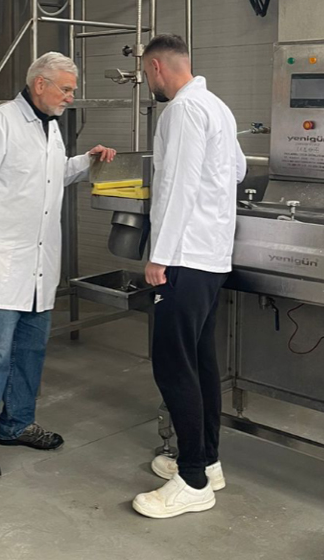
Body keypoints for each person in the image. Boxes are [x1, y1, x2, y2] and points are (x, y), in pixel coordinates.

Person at [0, 51, 116, 481]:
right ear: (40, 84)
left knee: (30, 350)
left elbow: (49, 175)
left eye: (72, 90)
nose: (70, 97)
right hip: (0, 259)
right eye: (65, 89)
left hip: (39, 262)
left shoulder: (51, 126)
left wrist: (86, 162)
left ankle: (17, 424)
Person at [132, 34, 246, 519]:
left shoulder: (180, 111)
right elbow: (238, 170)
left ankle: (193, 480)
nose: (147, 83)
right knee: (200, 362)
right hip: (212, 257)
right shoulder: (217, 106)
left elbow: (177, 188)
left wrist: (158, 257)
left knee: (172, 365)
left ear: (157, 67)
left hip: (183, 257)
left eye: (145, 74)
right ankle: (207, 460)